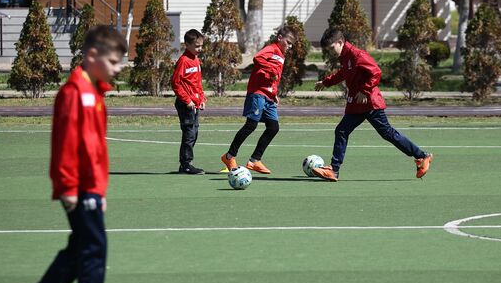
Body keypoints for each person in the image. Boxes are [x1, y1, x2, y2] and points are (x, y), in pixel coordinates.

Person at [15, 25, 128, 283]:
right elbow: (65, 144)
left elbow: (94, 146)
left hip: (90, 186)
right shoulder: (74, 93)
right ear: (92, 55)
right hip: (77, 185)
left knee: (80, 248)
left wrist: (99, 190)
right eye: (114, 63)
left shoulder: (94, 91)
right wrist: (67, 188)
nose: (117, 70)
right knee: (95, 249)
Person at [312, 28, 433, 181]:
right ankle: (333, 170)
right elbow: (343, 73)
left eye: (331, 48)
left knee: (387, 133)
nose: (330, 52)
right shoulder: (345, 56)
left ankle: (422, 156)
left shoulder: (357, 55)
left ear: (340, 42)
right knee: (342, 131)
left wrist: (364, 90)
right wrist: (326, 82)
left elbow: (376, 72)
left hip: (369, 104)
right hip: (357, 104)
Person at [221, 25, 296, 174]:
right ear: (280, 38)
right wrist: (271, 70)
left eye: (292, 44)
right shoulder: (272, 49)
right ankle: (229, 156)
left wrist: (274, 93)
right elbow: (258, 58)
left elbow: (274, 78)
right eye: (288, 42)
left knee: (273, 127)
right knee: (251, 125)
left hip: (268, 96)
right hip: (257, 93)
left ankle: (254, 160)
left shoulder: (281, 55)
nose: (290, 46)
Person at [171, 29, 206, 175]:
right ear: (187, 45)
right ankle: (185, 164)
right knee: (189, 134)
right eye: (197, 46)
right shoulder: (184, 61)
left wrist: (202, 98)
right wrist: (187, 100)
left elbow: (197, 82)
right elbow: (176, 83)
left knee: (194, 133)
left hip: (195, 103)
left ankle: (187, 163)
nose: (200, 49)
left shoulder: (196, 59)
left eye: (201, 46)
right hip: (186, 104)